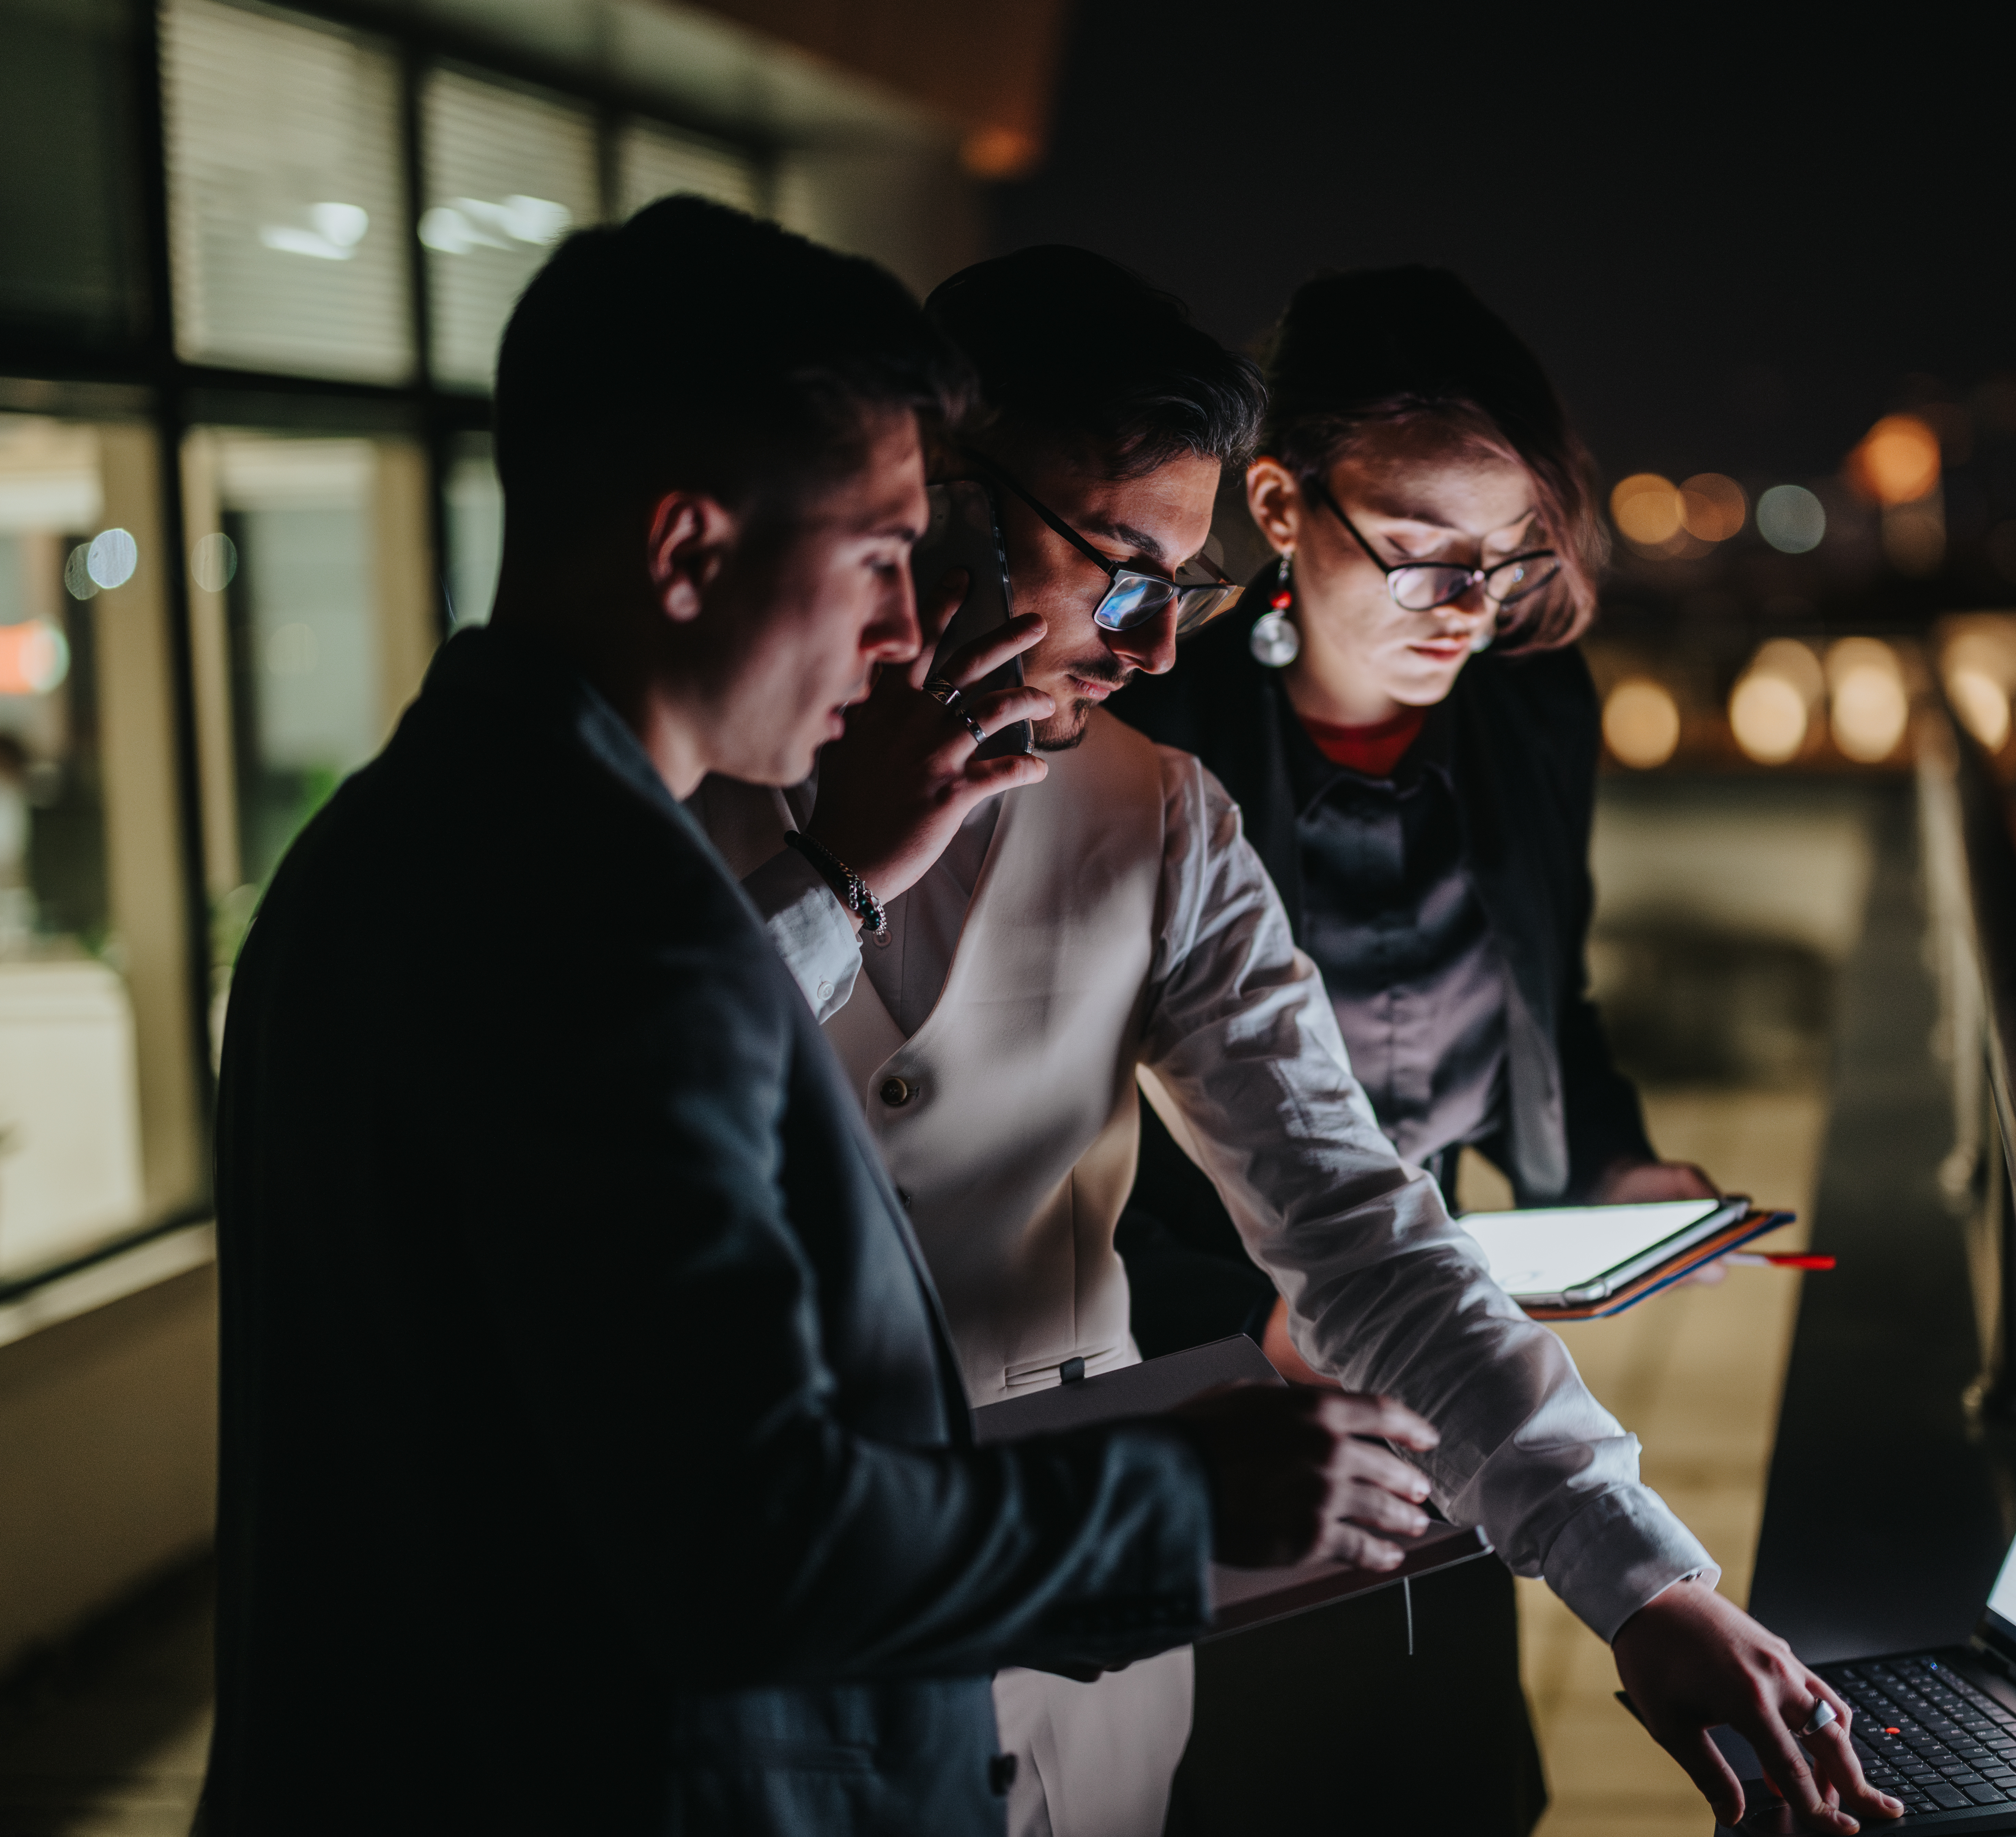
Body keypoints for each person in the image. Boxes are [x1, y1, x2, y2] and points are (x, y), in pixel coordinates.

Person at [202, 199, 1440, 1837]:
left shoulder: (402, 843)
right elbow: (743, 1535)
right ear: (690, 546)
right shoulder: (610, 920)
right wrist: (1178, 1495)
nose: (903, 624)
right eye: (877, 553)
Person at [692, 244, 1892, 1837]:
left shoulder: (1162, 816)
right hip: (744, 1684)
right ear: (949, 499)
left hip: (1081, 1700)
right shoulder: (682, 783)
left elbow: (1362, 1223)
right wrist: (838, 884)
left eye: (1174, 594)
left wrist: (1646, 1578)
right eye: (1123, 572)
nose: (1152, 648)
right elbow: (593, 1138)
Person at [1104, 262, 1742, 1833]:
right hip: (1207, 1360)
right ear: (1277, 505)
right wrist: (1240, 1330)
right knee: (1244, 1771)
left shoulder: (1528, 708)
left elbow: (1553, 999)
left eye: (1509, 559)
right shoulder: (1149, 739)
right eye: (1421, 556)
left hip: (1438, 1333)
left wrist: (1613, 1162)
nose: (1471, 609)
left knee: (1452, 1770)